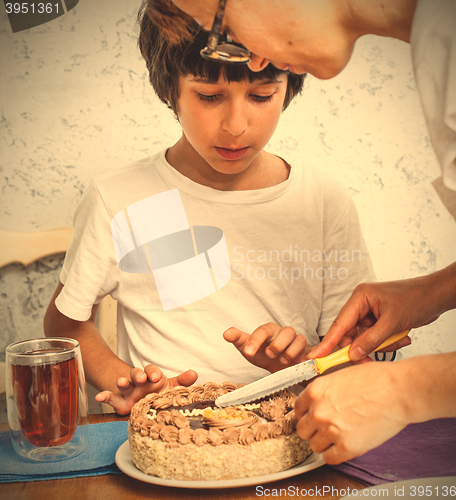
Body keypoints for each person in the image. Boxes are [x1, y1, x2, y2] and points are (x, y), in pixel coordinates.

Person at [146, 0, 456, 464]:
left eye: (224, 27)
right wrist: (435, 291)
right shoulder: (447, 38)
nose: (255, 60)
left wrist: (401, 390)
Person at [43, 2, 381, 416]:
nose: (236, 125)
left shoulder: (323, 200)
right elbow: (65, 323)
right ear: (170, 90)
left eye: (261, 96)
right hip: (169, 432)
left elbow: (349, 352)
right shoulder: (118, 197)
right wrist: (126, 382)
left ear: (288, 86)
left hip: (292, 433)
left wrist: (300, 363)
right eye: (209, 95)